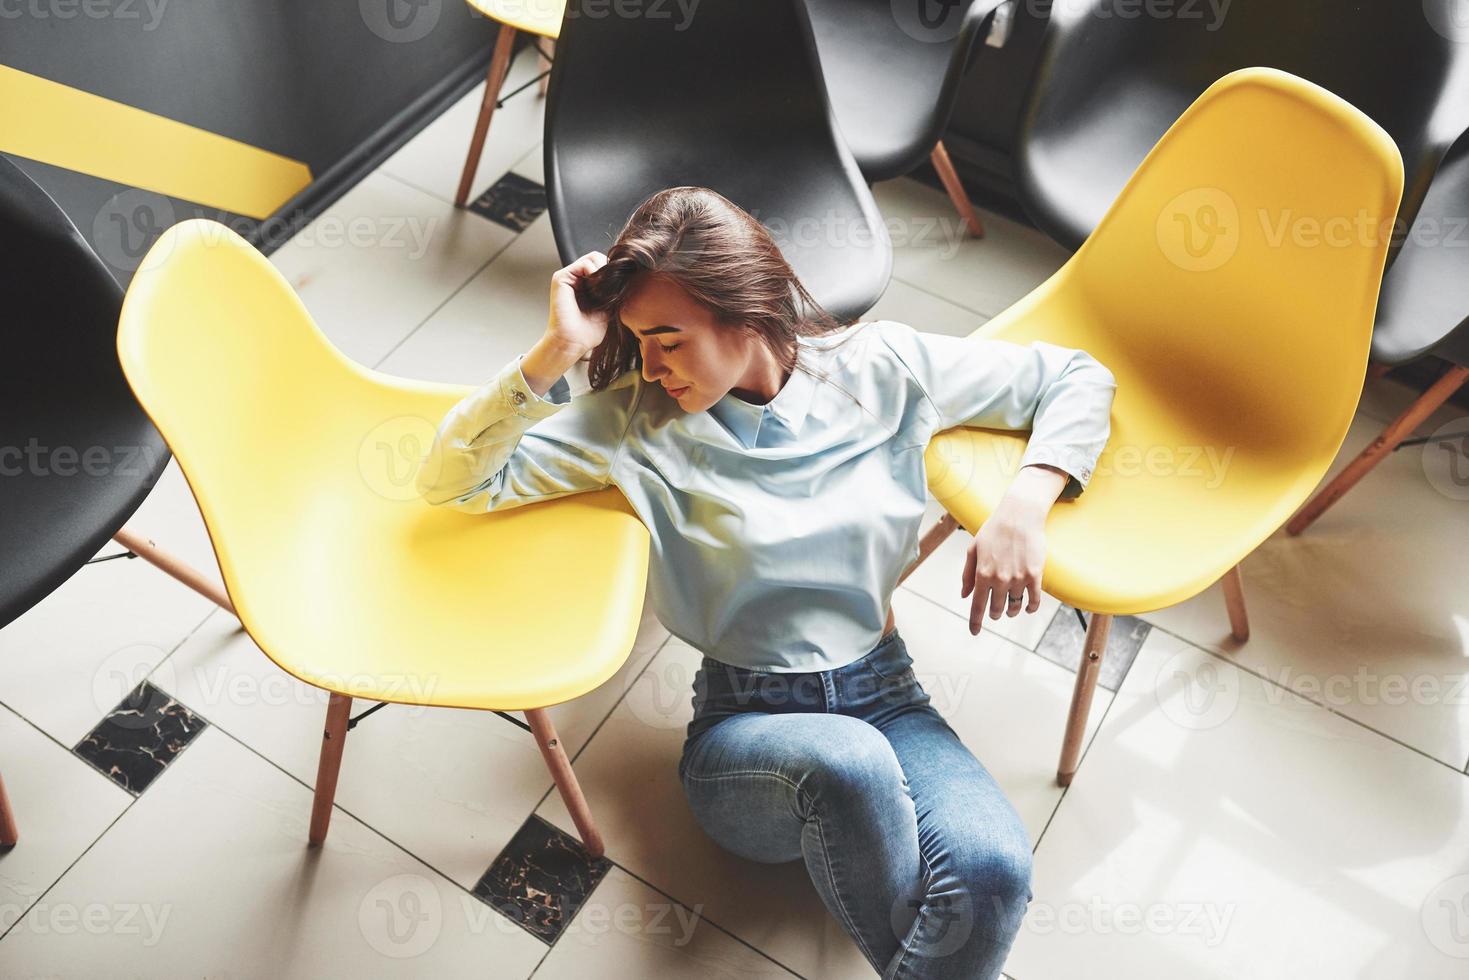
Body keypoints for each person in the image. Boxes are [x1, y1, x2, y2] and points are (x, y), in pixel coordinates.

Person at [415, 186, 1116, 978]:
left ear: (746, 316)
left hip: (886, 693)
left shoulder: (880, 368)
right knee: (847, 764)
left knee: (993, 873)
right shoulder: (631, 422)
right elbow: (453, 480)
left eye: (668, 340)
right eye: (640, 340)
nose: (650, 363)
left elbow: (1076, 378)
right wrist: (554, 353)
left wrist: (1024, 504)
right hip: (744, 733)